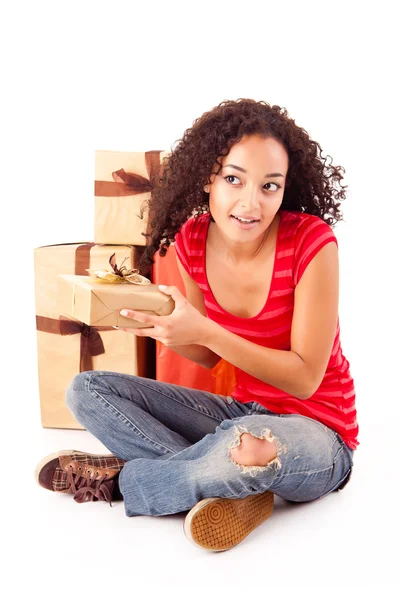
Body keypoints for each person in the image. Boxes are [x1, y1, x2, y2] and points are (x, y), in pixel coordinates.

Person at [35, 98, 359, 552]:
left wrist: (204, 331)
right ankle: (233, 489)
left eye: (270, 186)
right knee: (86, 391)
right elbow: (209, 354)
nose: (251, 203)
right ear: (208, 177)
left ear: (286, 189)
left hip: (318, 432)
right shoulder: (191, 240)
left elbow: (305, 379)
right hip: (240, 412)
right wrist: (165, 330)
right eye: (233, 179)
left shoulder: (312, 244)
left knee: (248, 449)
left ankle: (125, 481)